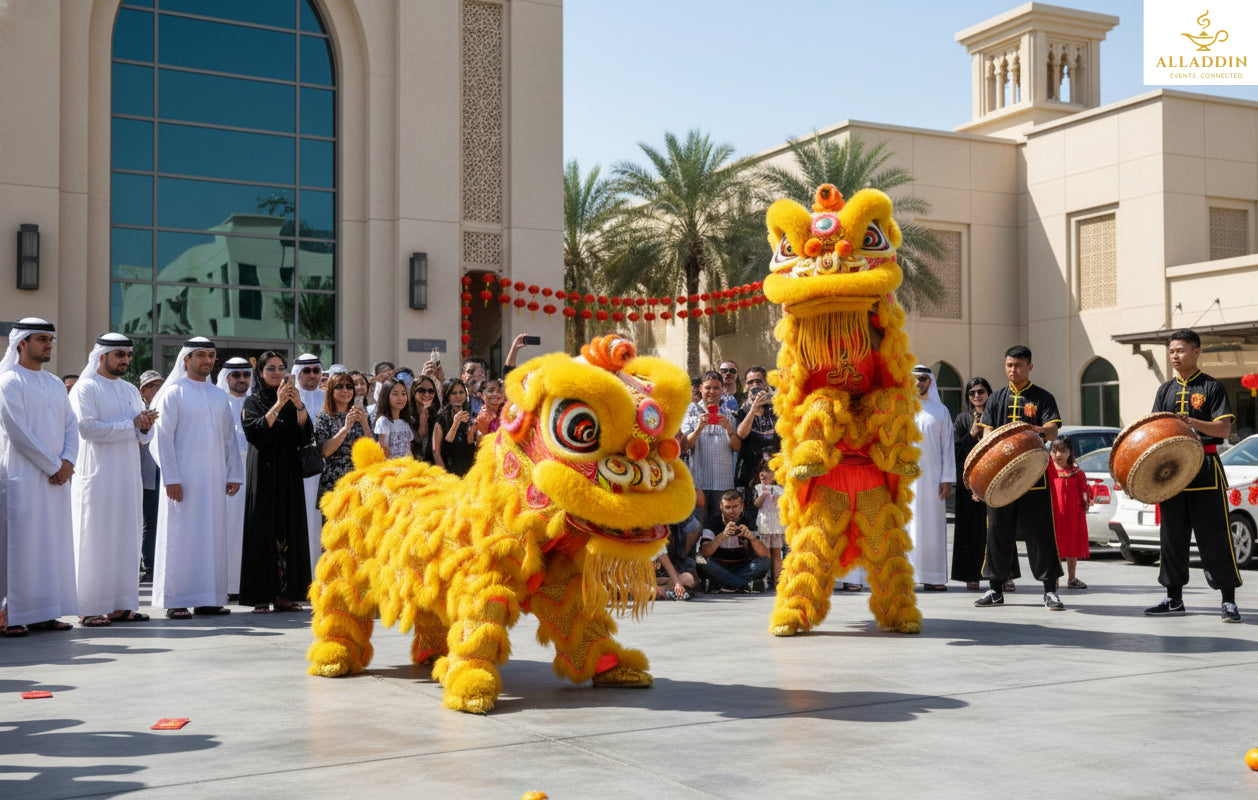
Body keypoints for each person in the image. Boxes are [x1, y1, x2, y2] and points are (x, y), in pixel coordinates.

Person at [1144, 329, 1242, 621]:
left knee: (1215, 538)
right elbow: (1154, 430)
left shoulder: (1212, 387)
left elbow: (1223, 430)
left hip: (1205, 471)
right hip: (1172, 475)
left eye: (1181, 350)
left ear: (1197, 352)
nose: (1175, 356)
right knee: (1171, 538)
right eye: (1172, 351)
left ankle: (1228, 600)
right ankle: (1173, 598)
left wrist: (1190, 422)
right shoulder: (1165, 390)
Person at [150, 337, 243, 619]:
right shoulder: (173, 393)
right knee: (181, 536)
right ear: (186, 359)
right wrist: (171, 477)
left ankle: (209, 598)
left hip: (214, 480)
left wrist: (234, 472)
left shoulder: (218, 396)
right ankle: (177, 600)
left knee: (212, 536)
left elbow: (229, 438)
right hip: (183, 481)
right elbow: (162, 438)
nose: (206, 360)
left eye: (211, 355)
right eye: (200, 355)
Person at [69, 333, 154, 627]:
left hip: (127, 476)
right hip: (97, 476)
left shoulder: (131, 390)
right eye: (120, 355)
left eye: (128, 356)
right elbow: (87, 428)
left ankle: (121, 605)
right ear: (102, 356)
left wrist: (144, 427)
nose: (126, 361)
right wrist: (132, 425)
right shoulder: (85, 388)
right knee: (95, 538)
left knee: (126, 537)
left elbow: (143, 435)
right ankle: (89, 607)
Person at [0, 318, 78, 636]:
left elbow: (71, 426)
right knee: (20, 547)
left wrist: (69, 461)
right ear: (22, 343)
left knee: (51, 546)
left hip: (56, 479)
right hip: (22, 477)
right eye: (42, 339)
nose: (48, 344)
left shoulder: (54, 383)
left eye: (50, 339)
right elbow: (18, 432)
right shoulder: (8, 381)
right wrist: (53, 466)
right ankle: (11, 614)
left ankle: (44, 613)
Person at [974, 346, 1065, 611]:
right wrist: (982, 477)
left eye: (1019, 365)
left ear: (1030, 367)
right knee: (997, 533)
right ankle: (995, 589)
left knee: (1041, 534)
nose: (1013, 370)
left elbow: (1053, 430)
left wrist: (1031, 429)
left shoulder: (1042, 397)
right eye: (1009, 365)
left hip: (1034, 478)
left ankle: (1050, 590)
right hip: (1000, 481)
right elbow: (986, 437)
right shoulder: (995, 399)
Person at [239, 351, 313, 613]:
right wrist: (279, 404)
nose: (277, 373)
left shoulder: (293, 400)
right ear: (260, 372)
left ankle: (285, 595)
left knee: (288, 530)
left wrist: (300, 405)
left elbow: (305, 434)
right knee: (263, 531)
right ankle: (261, 595)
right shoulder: (253, 400)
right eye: (270, 368)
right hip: (264, 472)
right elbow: (255, 431)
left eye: (281, 368)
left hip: (289, 472)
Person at [951, 377, 1018, 591]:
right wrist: (971, 433)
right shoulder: (962, 419)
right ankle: (972, 575)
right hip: (970, 483)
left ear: (989, 393)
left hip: (995, 482)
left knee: (1000, 527)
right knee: (971, 531)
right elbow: (956, 451)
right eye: (972, 393)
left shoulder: (998, 416)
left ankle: (1005, 574)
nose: (977, 396)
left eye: (981, 391)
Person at [908, 365, 955, 591]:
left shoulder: (941, 411)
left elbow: (948, 447)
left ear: (931, 382)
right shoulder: (902, 409)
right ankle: (907, 576)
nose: (919, 383)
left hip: (934, 479)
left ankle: (934, 577)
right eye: (916, 379)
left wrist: (947, 478)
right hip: (906, 480)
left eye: (924, 379)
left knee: (933, 528)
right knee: (908, 527)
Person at [215, 356, 251, 599]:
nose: (241, 380)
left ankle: (246, 584)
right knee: (225, 530)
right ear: (225, 377)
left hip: (253, 475)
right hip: (224, 478)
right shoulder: (217, 402)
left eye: (246, 375)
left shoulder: (256, 403)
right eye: (235, 375)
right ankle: (224, 585)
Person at [681, 370, 740, 513]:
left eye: (716, 388)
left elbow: (737, 447)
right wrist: (698, 428)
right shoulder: (691, 411)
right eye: (708, 387)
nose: (712, 391)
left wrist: (729, 430)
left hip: (723, 482)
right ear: (701, 389)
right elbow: (684, 447)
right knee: (700, 527)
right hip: (699, 481)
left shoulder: (728, 413)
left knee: (721, 525)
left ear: (722, 389)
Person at [292, 353, 325, 579]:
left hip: (324, 471)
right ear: (297, 374)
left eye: (316, 370)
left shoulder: (328, 397)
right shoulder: (288, 398)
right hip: (297, 471)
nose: (312, 375)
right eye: (307, 371)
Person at [697, 489, 769, 593]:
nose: (732, 511)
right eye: (727, 507)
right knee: (701, 562)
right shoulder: (712, 521)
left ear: (742, 506)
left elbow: (765, 555)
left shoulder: (748, 521)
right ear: (721, 507)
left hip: (742, 567)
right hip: (719, 567)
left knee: (765, 562)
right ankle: (743, 584)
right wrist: (722, 536)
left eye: (735, 506)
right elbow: (704, 552)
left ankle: (722, 583)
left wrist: (752, 538)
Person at [316, 371, 372, 499]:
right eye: (339, 386)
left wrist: (365, 425)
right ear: (331, 390)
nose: (345, 390)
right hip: (333, 482)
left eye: (349, 386)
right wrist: (346, 428)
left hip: (359, 481)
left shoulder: (361, 416)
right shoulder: (324, 418)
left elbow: (370, 450)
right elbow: (324, 451)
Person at [1047, 437, 1090, 590]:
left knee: (1072, 546)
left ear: (1070, 452)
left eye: (1063, 451)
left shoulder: (1077, 472)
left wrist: (1085, 497)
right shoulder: (1047, 471)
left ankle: (1072, 578)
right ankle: (1055, 578)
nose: (1058, 454)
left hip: (1073, 515)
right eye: (1054, 451)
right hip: (1054, 515)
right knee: (1055, 545)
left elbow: (1083, 488)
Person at [734, 366, 779, 502]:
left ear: (766, 384)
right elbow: (741, 434)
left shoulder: (777, 405)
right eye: (750, 382)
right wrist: (753, 409)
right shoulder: (743, 408)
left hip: (776, 473)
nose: (754, 385)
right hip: (751, 474)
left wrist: (773, 403)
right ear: (746, 386)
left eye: (758, 382)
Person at [138, 370, 164, 582]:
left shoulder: (168, 407)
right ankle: (150, 565)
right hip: (145, 473)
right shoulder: (138, 412)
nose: (156, 389)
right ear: (143, 391)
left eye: (159, 384)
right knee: (149, 522)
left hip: (165, 471)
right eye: (152, 386)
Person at [752, 459, 785, 589]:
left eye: (769, 471)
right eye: (762, 470)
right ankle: (763, 581)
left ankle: (778, 581)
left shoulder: (780, 489)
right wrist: (764, 494)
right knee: (765, 553)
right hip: (764, 525)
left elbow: (785, 503)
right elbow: (756, 504)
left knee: (777, 554)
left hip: (777, 526)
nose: (764, 474)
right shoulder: (758, 488)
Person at [655, 509, 701, 601]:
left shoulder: (676, 534)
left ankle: (666, 590)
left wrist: (677, 582)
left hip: (673, 576)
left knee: (687, 578)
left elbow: (665, 557)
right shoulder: (650, 538)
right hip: (649, 579)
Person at [433, 378, 475, 476]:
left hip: (466, 470)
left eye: (461, 392)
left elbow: (469, 446)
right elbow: (436, 451)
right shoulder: (441, 418)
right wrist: (444, 475)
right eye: (454, 393)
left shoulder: (467, 415)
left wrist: (471, 432)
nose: (458, 396)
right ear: (447, 395)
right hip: (449, 470)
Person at [373, 377, 414, 459]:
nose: (401, 398)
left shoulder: (405, 422)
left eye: (403, 393)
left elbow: (409, 451)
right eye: (395, 394)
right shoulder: (383, 422)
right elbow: (384, 451)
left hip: (407, 468)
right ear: (386, 396)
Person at [409, 375, 440, 463]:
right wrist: (423, 413)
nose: (427, 394)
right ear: (413, 392)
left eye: (431, 391)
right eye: (422, 390)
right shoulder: (407, 417)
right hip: (413, 464)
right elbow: (419, 438)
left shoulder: (436, 416)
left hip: (433, 464)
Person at [473, 377, 505, 446]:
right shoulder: (482, 418)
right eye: (491, 391)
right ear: (481, 395)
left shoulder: (511, 410)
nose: (496, 394)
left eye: (500, 391)